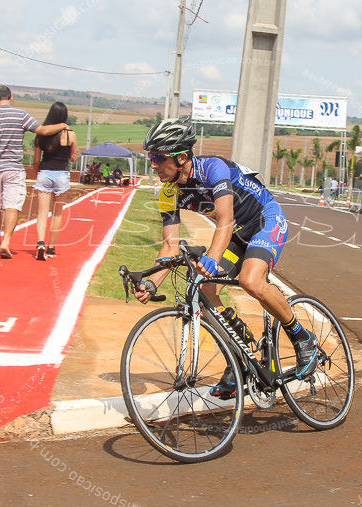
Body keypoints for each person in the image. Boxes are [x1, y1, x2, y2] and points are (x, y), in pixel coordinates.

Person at [133, 117, 319, 397]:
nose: (153, 164)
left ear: (181, 157)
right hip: (235, 235)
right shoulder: (169, 192)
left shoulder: (213, 169)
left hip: (264, 221)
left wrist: (211, 257)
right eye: (151, 157)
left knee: (250, 280)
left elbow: (226, 219)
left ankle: (303, 339)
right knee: (206, 294)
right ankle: (239, 355)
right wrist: (152, 282)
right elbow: (170, 245)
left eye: (159, 157)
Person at [0, 85, 70, 259]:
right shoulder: (21, 115)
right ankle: (7, 241)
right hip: (14, 168)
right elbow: (42, 130)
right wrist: (62, 124)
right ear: (11, 98)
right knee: (12, 205)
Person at [32, 102, 79, 261]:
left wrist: (36, 173)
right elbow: (73, 156)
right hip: (61, 174)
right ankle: (51, 248)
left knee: (42, 213)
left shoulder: (41, 134)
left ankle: (40, 243)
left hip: (45, 172)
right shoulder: (70, 134)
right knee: (57, 213)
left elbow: (36, 160)